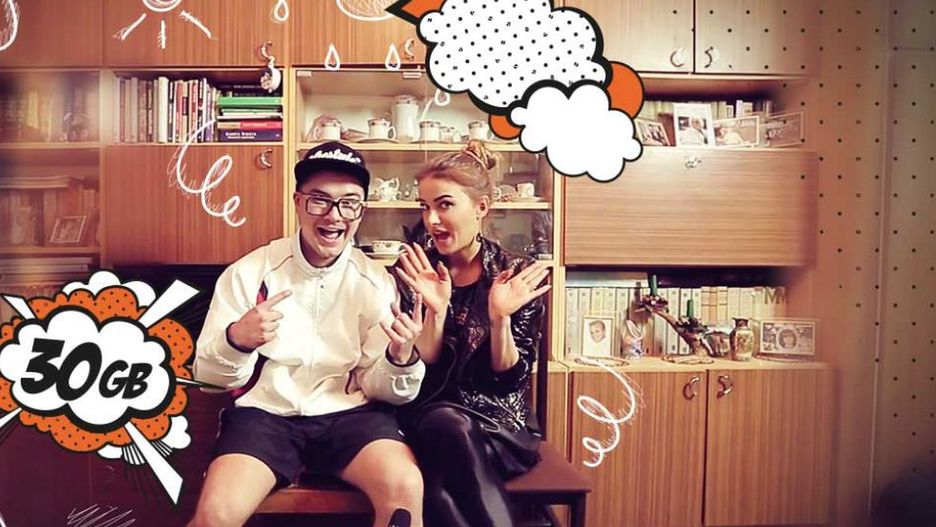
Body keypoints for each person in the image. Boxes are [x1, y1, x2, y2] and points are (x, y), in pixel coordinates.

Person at [189, 141, 427, 527]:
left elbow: (381, 388)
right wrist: (237, 340)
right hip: (264, 417)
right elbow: (209, 379)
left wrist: (400, 359)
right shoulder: (249, 273)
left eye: (349, 203)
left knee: (405, 489)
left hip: (351, 418)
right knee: (215, 516)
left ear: (361, 211)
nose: (334, 215)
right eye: (320, 200)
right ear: (298, 203)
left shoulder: (376, 282)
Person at [392, 140, 551, 527]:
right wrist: (437, 311)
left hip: (497, 424)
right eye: (424, 207)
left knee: (439, 492)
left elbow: (508, 379)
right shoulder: (419, 271)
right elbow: (425, 369)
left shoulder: (514, 274)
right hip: (429, 416)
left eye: (444, 205)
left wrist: (499, 319)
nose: (431, 220)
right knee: (447, 423)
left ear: (481, 207)